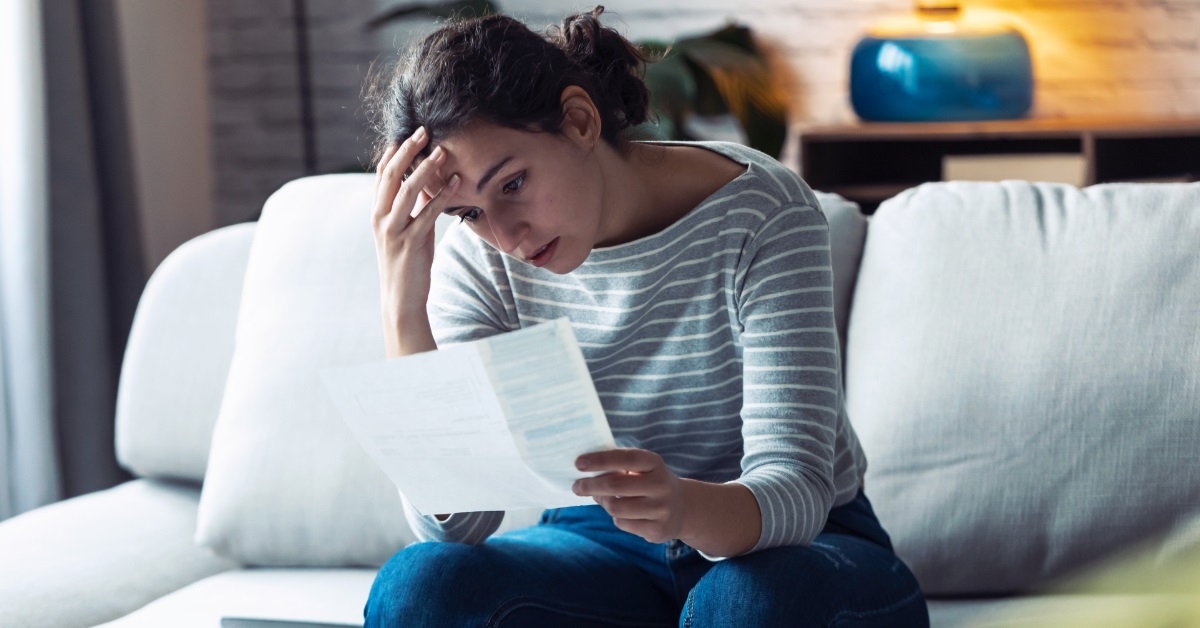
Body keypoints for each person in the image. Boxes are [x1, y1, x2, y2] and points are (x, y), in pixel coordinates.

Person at [363, 6, 928, 627]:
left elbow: (799, 488)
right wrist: (402, 306)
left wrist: (682, 507)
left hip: (797, 550)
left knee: (744, 603)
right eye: (468, 213)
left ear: (580, 121)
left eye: (514, 183)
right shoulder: (480, 261)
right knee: (421, 585)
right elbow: (458, 526)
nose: (505, 235)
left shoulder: (760, 211)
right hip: (601, 542)